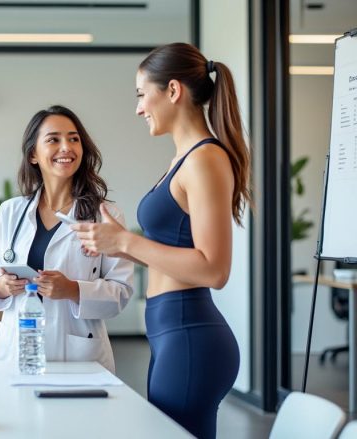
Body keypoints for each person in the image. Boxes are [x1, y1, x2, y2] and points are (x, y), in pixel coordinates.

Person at [71, 43, 249, 439]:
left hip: (190, 333)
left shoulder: (205, 159)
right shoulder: (183, 159)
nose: (138, 108)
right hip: (173, 333)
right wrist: (114, 244)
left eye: (141, 94)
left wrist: (125, 243)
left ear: (172, 90)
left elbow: (214, 269)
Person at [0, 105, 134, 373]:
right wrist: (1, 284)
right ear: (33, 155)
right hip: (16, 349)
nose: (66, 147)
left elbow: (121, 292)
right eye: (53, 139)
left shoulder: (105, 215)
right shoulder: (11, 211)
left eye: (74, 139)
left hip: (78, 355)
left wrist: (73, 290)